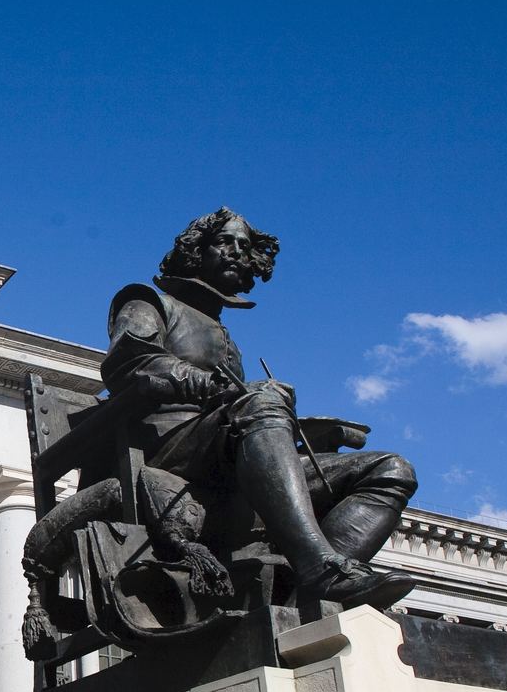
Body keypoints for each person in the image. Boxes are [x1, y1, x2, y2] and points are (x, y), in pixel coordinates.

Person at [103, 209, 419, 608]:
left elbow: (243, 418)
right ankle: (318, 566)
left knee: (390, 470)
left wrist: (310, 430)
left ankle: (306, 589)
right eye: (225, 242)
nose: (237, 253)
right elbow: (130, 362)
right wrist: (212, 383)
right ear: (195, 251)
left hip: (226, 452)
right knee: (262, 400)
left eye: (245, 248)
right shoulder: (148, 302)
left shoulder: (225, 336)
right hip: (168, 449)